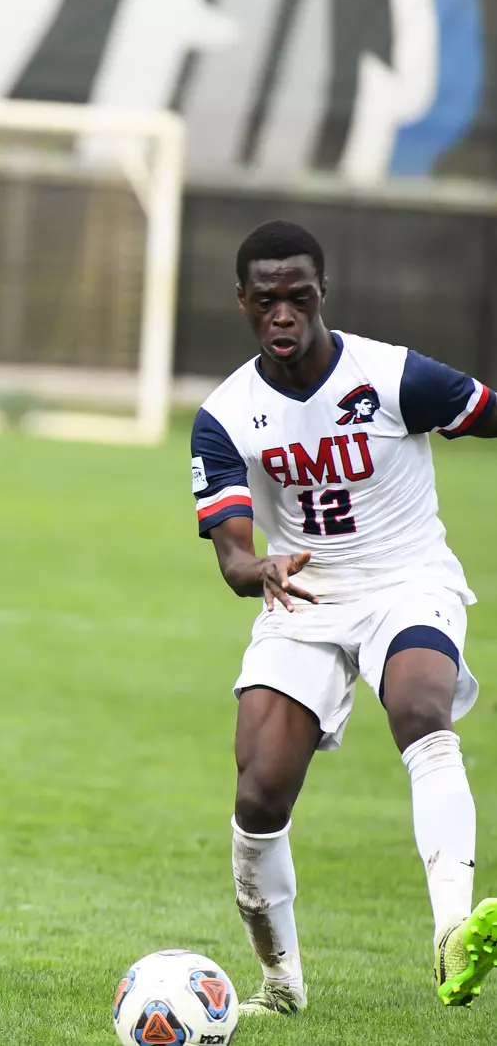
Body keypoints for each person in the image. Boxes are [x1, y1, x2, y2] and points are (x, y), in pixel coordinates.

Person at [191, 219, 497, 1014]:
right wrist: (256, 564)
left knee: (421, 706)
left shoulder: (394, 378)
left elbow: (492, 413)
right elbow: (231, 558)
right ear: (243, 303)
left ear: (322, 293)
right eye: (266, 301)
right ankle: (280, 987)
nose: (282, 315)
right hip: (304, 599)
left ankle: (454, 932)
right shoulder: (224, 415)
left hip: (407, 584)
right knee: (259, 794)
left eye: (297, 297)